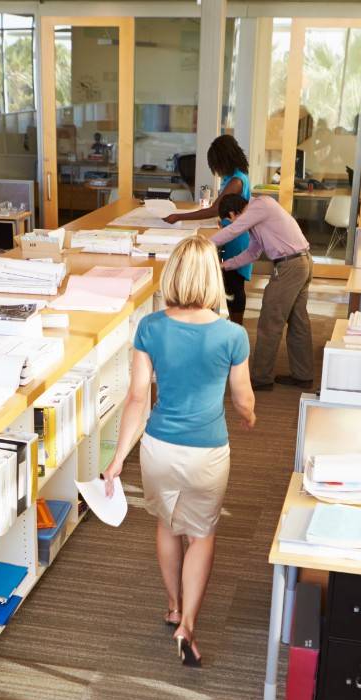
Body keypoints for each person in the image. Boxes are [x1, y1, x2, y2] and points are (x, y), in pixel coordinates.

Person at [101, 235, 255, 668]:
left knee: (168, 525)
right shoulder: (232, 335)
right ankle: (188, 624)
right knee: (201, 534)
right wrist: (250, 415)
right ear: (212, 278)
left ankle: (172, 606)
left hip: (158, 448)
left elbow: (137, 398)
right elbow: (242, 398)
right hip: (207, 451)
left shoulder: (150, 327)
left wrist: (117, 459)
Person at [210, 193, 313, 391]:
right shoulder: (259, 217)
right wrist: (224, 265)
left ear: (232, 213)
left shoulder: (260, 205)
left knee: (269, 322)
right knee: (298, 322)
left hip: (290, 267)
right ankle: (303, 375)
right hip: (301, 262)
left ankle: (261, 378)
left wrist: (201, 246)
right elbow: (252, 253)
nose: (233, 223)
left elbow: (233, 230)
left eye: (230, 220)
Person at [162, 136, 252, 326]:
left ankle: (237, 327)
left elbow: (215, 209)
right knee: (228, 282)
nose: (216, 170)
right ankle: (226, 324)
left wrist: (178, 216)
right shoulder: (233, 177)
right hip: (230, 235)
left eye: (216, 164)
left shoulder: (236, 181)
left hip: (236, 240)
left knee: (234, 285)